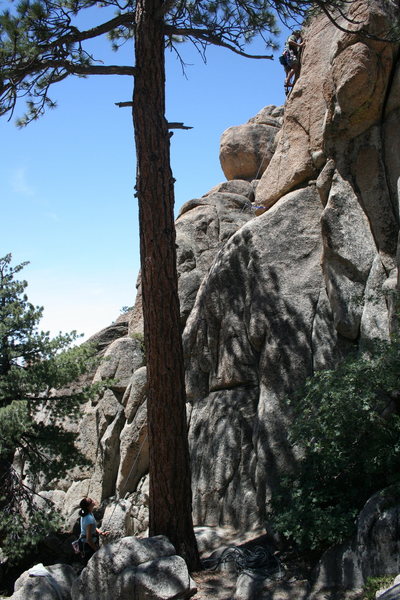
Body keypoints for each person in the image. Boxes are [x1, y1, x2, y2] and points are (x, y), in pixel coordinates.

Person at [78, 497, 109, 562]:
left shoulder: (86, 513)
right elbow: (89, 539)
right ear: (88, 506)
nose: (93, 501)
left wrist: (101, 533)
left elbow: (93, 528)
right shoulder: (88, 518)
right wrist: (97, 550)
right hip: (88, 546)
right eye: (91, 501)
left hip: (85, 542)